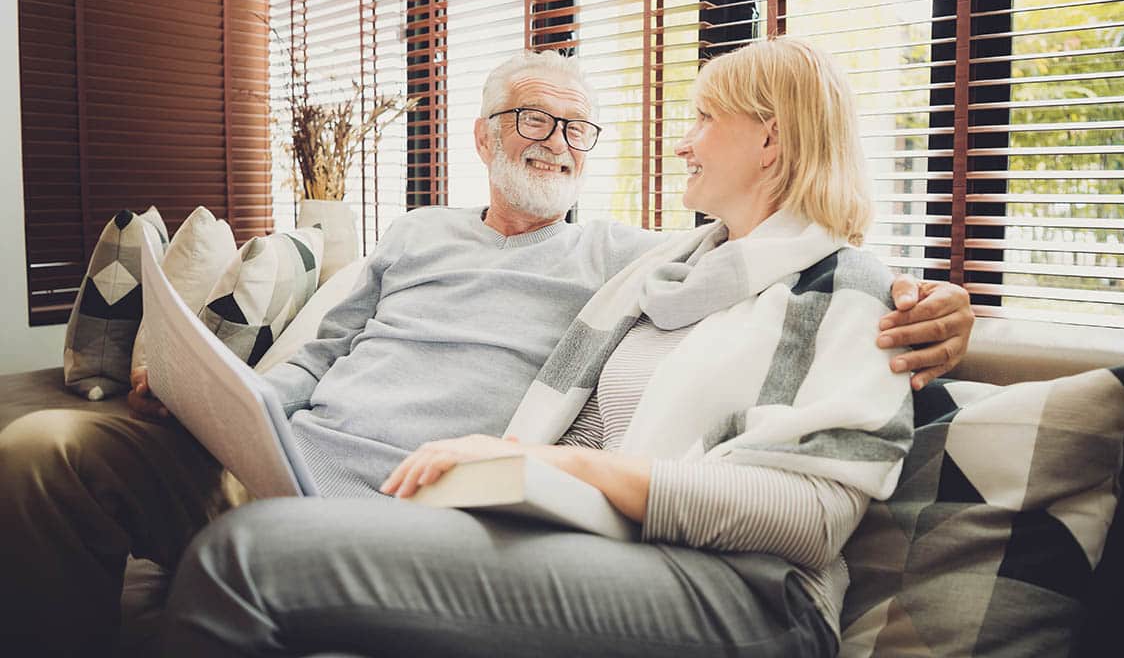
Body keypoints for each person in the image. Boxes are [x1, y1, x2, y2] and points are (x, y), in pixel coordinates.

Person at [0, 49, 971, 656]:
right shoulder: (659, 267)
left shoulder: (633, 258)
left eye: (577, 127)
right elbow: (308, 361)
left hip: (573, 537)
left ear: (771, 137)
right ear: (482, 133)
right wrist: (214, 391)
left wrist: (945, 306)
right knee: (41, 448)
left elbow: (824, 285)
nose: (559, 141)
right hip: (317, 466)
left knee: (246, 553)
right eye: (532, 119)